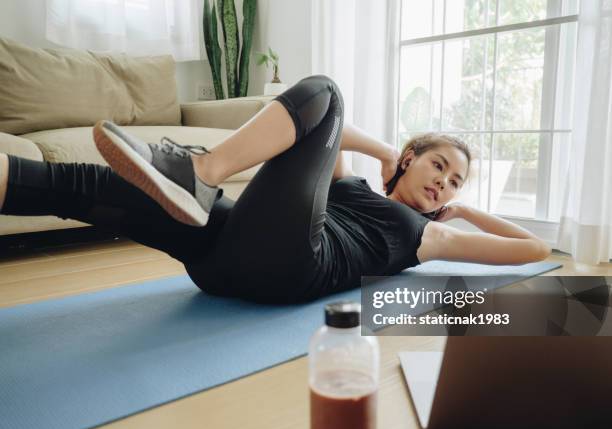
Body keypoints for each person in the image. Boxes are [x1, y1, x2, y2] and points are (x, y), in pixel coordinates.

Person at [0, 75, 550, 303]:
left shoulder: (430, 237)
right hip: (219, 266)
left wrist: (468, 212)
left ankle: (202, 172)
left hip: (291, 267)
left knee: (326, 92)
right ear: (411, 159)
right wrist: (385, 153)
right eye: (438, 165)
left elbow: (535, 250)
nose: (443, 182)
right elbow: (324, 135)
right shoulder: (351, 183)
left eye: (454, 179)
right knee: (101, 186)